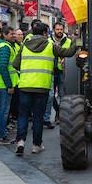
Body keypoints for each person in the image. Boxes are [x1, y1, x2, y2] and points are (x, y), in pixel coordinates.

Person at [13, 20, 74, 154]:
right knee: (38, 117)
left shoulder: (24, 45)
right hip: (42, 87)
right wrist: (76, 42)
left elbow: (15, 64)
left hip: (24, 85)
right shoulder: (50, 45)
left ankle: (21, 142)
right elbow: (68, 53)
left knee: (23, 115)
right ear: (45, 33)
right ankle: (36, 145)